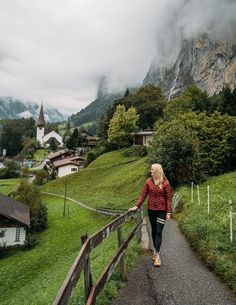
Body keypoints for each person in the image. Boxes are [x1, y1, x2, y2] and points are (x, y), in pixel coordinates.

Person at [129, 163, 171, 267]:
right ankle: (155, 251)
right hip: (151, 210)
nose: (150, 171)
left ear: (157, 170)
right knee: (153, 231)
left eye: (152, 169)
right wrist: (136, 206)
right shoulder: (148, 182)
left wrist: (168, 212)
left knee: (159, 232)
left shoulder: (165, 183)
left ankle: (157, 255)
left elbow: (168, 199)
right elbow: (142, 196)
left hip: (162, 211)